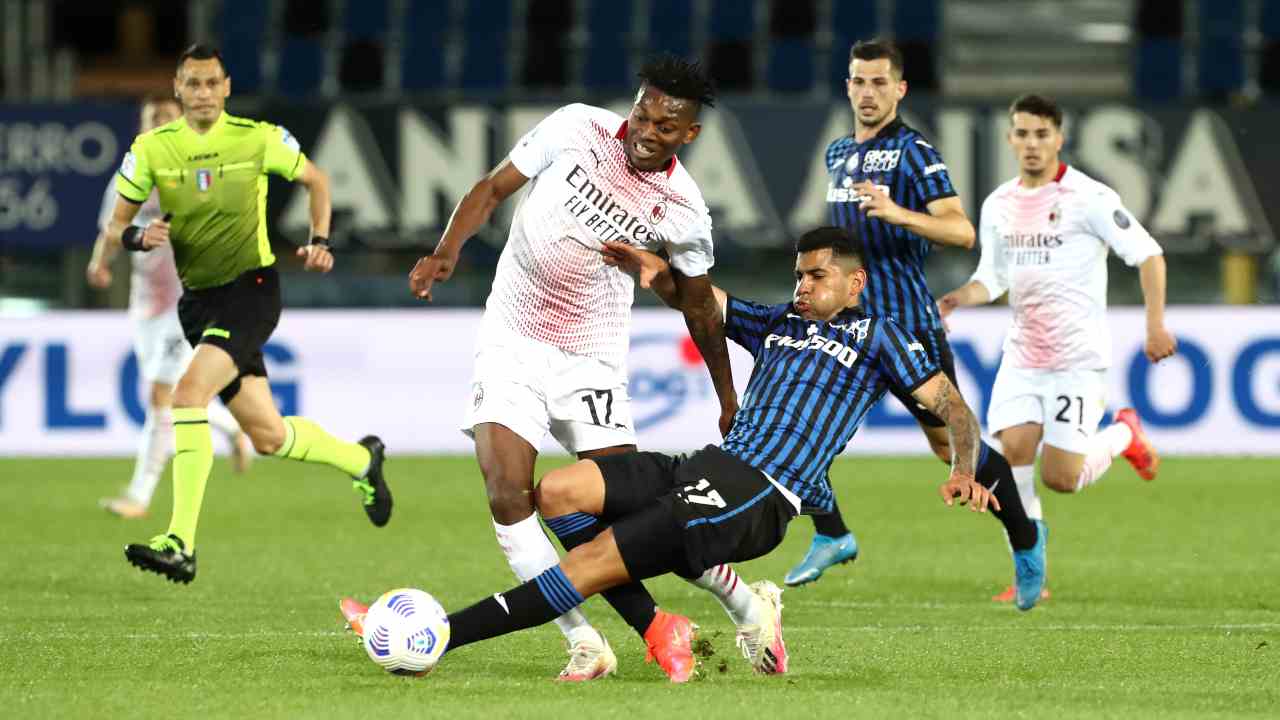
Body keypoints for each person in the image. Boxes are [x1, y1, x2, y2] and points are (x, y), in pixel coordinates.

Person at [340, 226, 1006, 677]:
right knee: (559, 493)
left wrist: (963, 470)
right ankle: (734, 611)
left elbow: (952, 408)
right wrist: (654, 270)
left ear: (856, 283)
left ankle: (438, 638)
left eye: (818, 276)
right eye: (799, 274)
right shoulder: (778, 322)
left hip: (761, 495)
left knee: (594, 561)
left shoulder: (881, 339)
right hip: (706, 466)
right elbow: (703, 300)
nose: (803, 285)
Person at [402, 55, 771, 682]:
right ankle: (586, 641)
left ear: (690, 135)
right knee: (507, 494)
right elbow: (492, 188)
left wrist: (727, 394)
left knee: (631, 516)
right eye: (642, 113)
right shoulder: (576, 127)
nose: (646, 130)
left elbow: (704, 310)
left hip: (591, 357)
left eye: (664, 126)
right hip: (512, 335)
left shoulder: (682, 206)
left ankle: (744, 600)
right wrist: (446, 251)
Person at [105, 44, 391, 584]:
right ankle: (362, 461)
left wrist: (320, 239)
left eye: (212, 82)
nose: (204, 93)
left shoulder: (258, 138)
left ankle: (180, 541)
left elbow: (317, 181)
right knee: (267, 435)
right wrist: (141, 237)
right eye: (193, 84)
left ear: (227, 86)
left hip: (252, 289)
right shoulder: (151, 150)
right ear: (178, 88)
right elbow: (116, 225)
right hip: (198, 302)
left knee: (186, 395)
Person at [787, 39, 1046, 610]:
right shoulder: (836, 153)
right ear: (847, 86)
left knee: (954, 444)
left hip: (908, 329)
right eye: (859, 81)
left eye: (881, 82)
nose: (869, 92)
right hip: (851, 327)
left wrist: (897, 213)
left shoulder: (913, 151)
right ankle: (832, 532)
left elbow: (962, 231)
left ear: (900, 89)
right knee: (796, 427)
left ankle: (1026, 542)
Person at [937, 94, 1175, 601]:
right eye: (1022, 134)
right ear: (1010, 139)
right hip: (1023, 355)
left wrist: (1156, 326)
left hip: (1077, 360)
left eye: (1041, 134)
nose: (1031, 144)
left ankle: (1123, 437)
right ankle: (1032, 571)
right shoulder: (999, 203)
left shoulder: (1090, 197)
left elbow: (1150, 255)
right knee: (1011, 454)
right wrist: (958, 298)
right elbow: (992, 278)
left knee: (1062, 478)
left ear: (1058, 139)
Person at [88, 92, 253, 519]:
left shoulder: (199, 171)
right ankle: (234, 430)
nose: (158, 124)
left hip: (191, 301)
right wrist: (98, 264)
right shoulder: (130, 176)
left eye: (166, 117)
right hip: (145, 303)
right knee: (174, 393)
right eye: (151, 118)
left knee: (161, 395)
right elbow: (112, 228)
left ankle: (139, 497)